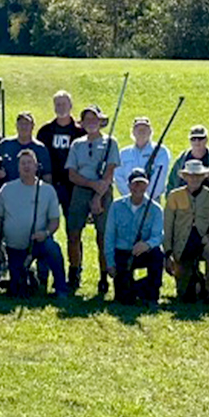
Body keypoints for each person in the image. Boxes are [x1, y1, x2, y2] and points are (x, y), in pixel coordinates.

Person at [0, 149, 66, 299]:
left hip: (38, 243)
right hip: (14, 246)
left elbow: (54, 221)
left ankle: (61, 289)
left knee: (53, 249)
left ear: (36, 166)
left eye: (29, 163)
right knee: (16, 284)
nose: (26, 166)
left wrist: (45, 234)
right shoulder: (7, 190)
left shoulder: (47, 190)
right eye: (23, 163)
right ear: (18, 167)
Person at [63, 105, 118, 297]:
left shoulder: (111, 143)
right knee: (73, 233)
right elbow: (72, 174)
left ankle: (104, 277)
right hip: (80, 190)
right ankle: (74, 273)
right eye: (87, 119)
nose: (91, 122)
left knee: (102, 236)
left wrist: (97, 196)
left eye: (94, 118)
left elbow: (109, 173)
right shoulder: (77, 144)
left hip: (103, 192)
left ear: (101, 121)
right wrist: (90, 184)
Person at [163, 158, 209, 304]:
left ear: (204, 176)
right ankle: (197, 282)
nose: (194, 179)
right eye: (190, 176)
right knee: (185, 295)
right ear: (184, 177)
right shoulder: (174, 196)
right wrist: (168, 253)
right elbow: (167, 227)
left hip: (203, 243)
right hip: (182, 246)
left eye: (198, 176)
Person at [104, 168, 165, 307]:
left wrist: (147, 245)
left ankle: (152, 295)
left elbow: (159, 235)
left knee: (157, 255)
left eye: (142, 184)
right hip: (122, 253)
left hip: (144, 252)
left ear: (147, 185)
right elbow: (109, 237)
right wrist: (110, 263)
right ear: (129, 186)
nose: (138, 187)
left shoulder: (155, 209)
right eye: (135, 184)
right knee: (123, 299)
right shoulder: (116, 206)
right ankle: (135, 290)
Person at [35, 91, 84, 210]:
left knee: (73, 222)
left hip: (72, 184)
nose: (61, 107)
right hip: (50, 181)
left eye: (64, 104)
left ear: (70, 106)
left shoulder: (80, 132)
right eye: (58, 104)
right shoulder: (45, 131)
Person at [117, 116, 172, 203]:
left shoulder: (161, 152)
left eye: (145, 129)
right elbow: (118, 177)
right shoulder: (123, 153)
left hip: (152, 201)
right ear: (133, 132)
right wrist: (131, 196)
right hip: (128, 201)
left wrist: (145, 197)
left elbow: (160, 177)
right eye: (138, 128)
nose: (141, 131)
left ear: (150, 132)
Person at [170, 124, 209, 197]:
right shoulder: (182, 159)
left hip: (208, 203)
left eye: (200, 138)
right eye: (193, 139)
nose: (197, 142)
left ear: (206, 139)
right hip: (185, 202)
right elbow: (172, 183)